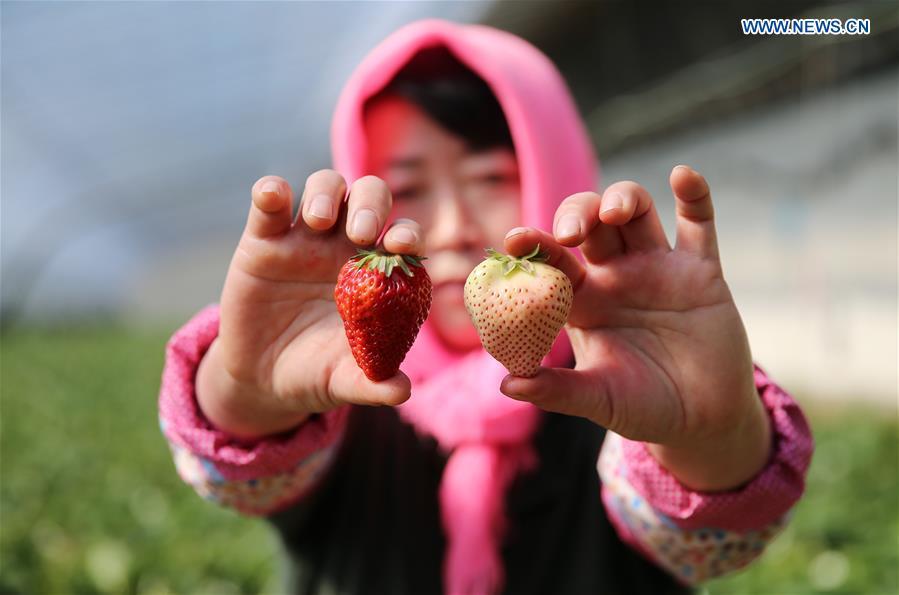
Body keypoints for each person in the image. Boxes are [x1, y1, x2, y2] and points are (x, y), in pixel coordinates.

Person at [158, 19, 813, 595]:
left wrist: (706, 432)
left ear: (555, 167)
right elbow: (240, 469)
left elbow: (715, 532)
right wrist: (247, 385)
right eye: (407, 187)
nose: (450, 228)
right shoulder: (338, 396)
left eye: (490, 179)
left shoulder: (623, 397)